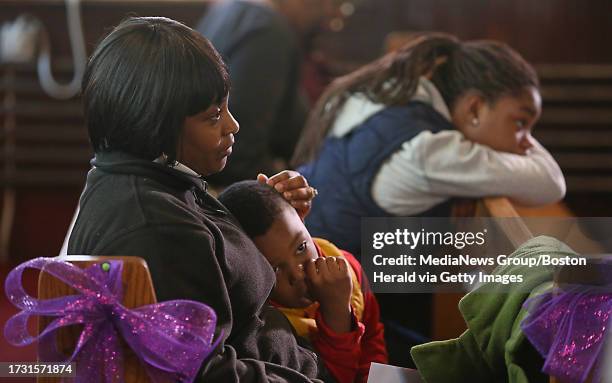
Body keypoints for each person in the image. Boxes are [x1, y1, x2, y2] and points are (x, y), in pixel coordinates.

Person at [67, 16, 331, 382]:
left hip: (291, 359)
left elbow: (222, 268)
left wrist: (275, 216)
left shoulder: (148, 179)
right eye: (213, 116)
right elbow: (208, 374)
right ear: (155, 122)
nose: (232, 126)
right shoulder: (157, 228)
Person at [292, 33, 567, 258]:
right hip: (325, 305)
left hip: (312, 271)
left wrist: (516, 130)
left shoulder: (390, 94)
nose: (528, 142)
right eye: (520, 123)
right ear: (475, 108)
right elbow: (551, 182)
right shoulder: (430, 151)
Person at [218, 180, 387, 383]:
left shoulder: (347, 268)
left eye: (300, 247)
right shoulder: (267, 330)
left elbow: (372, 338)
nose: (298, 274)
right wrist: (336, 310)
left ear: (302, 217)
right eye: (275, 269)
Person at [196, 0, 339, 186]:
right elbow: (239, 151)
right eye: (325, 3)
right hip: (231, 192)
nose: (329, 15)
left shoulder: (229, 9)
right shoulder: (268, 32)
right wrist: (294, 189)